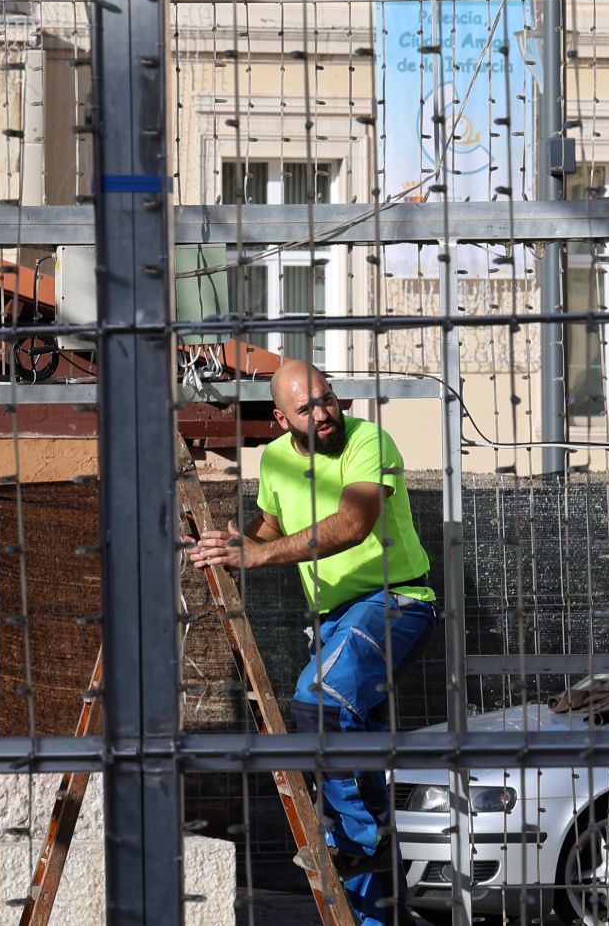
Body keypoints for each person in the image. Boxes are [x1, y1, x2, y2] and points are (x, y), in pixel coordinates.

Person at [187, 360, 438, 926]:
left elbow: (355, 521)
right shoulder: (275, 459)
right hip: (334, 621)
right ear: (281, 419)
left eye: (328, 399)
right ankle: (378, 914)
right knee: (354, 753)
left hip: (395, 603)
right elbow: (271, 523)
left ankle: (362, 836)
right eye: (308, 408)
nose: (325, 414)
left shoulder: (370, 440)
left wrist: (256, 555)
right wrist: (232, 542)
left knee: (319, 702)